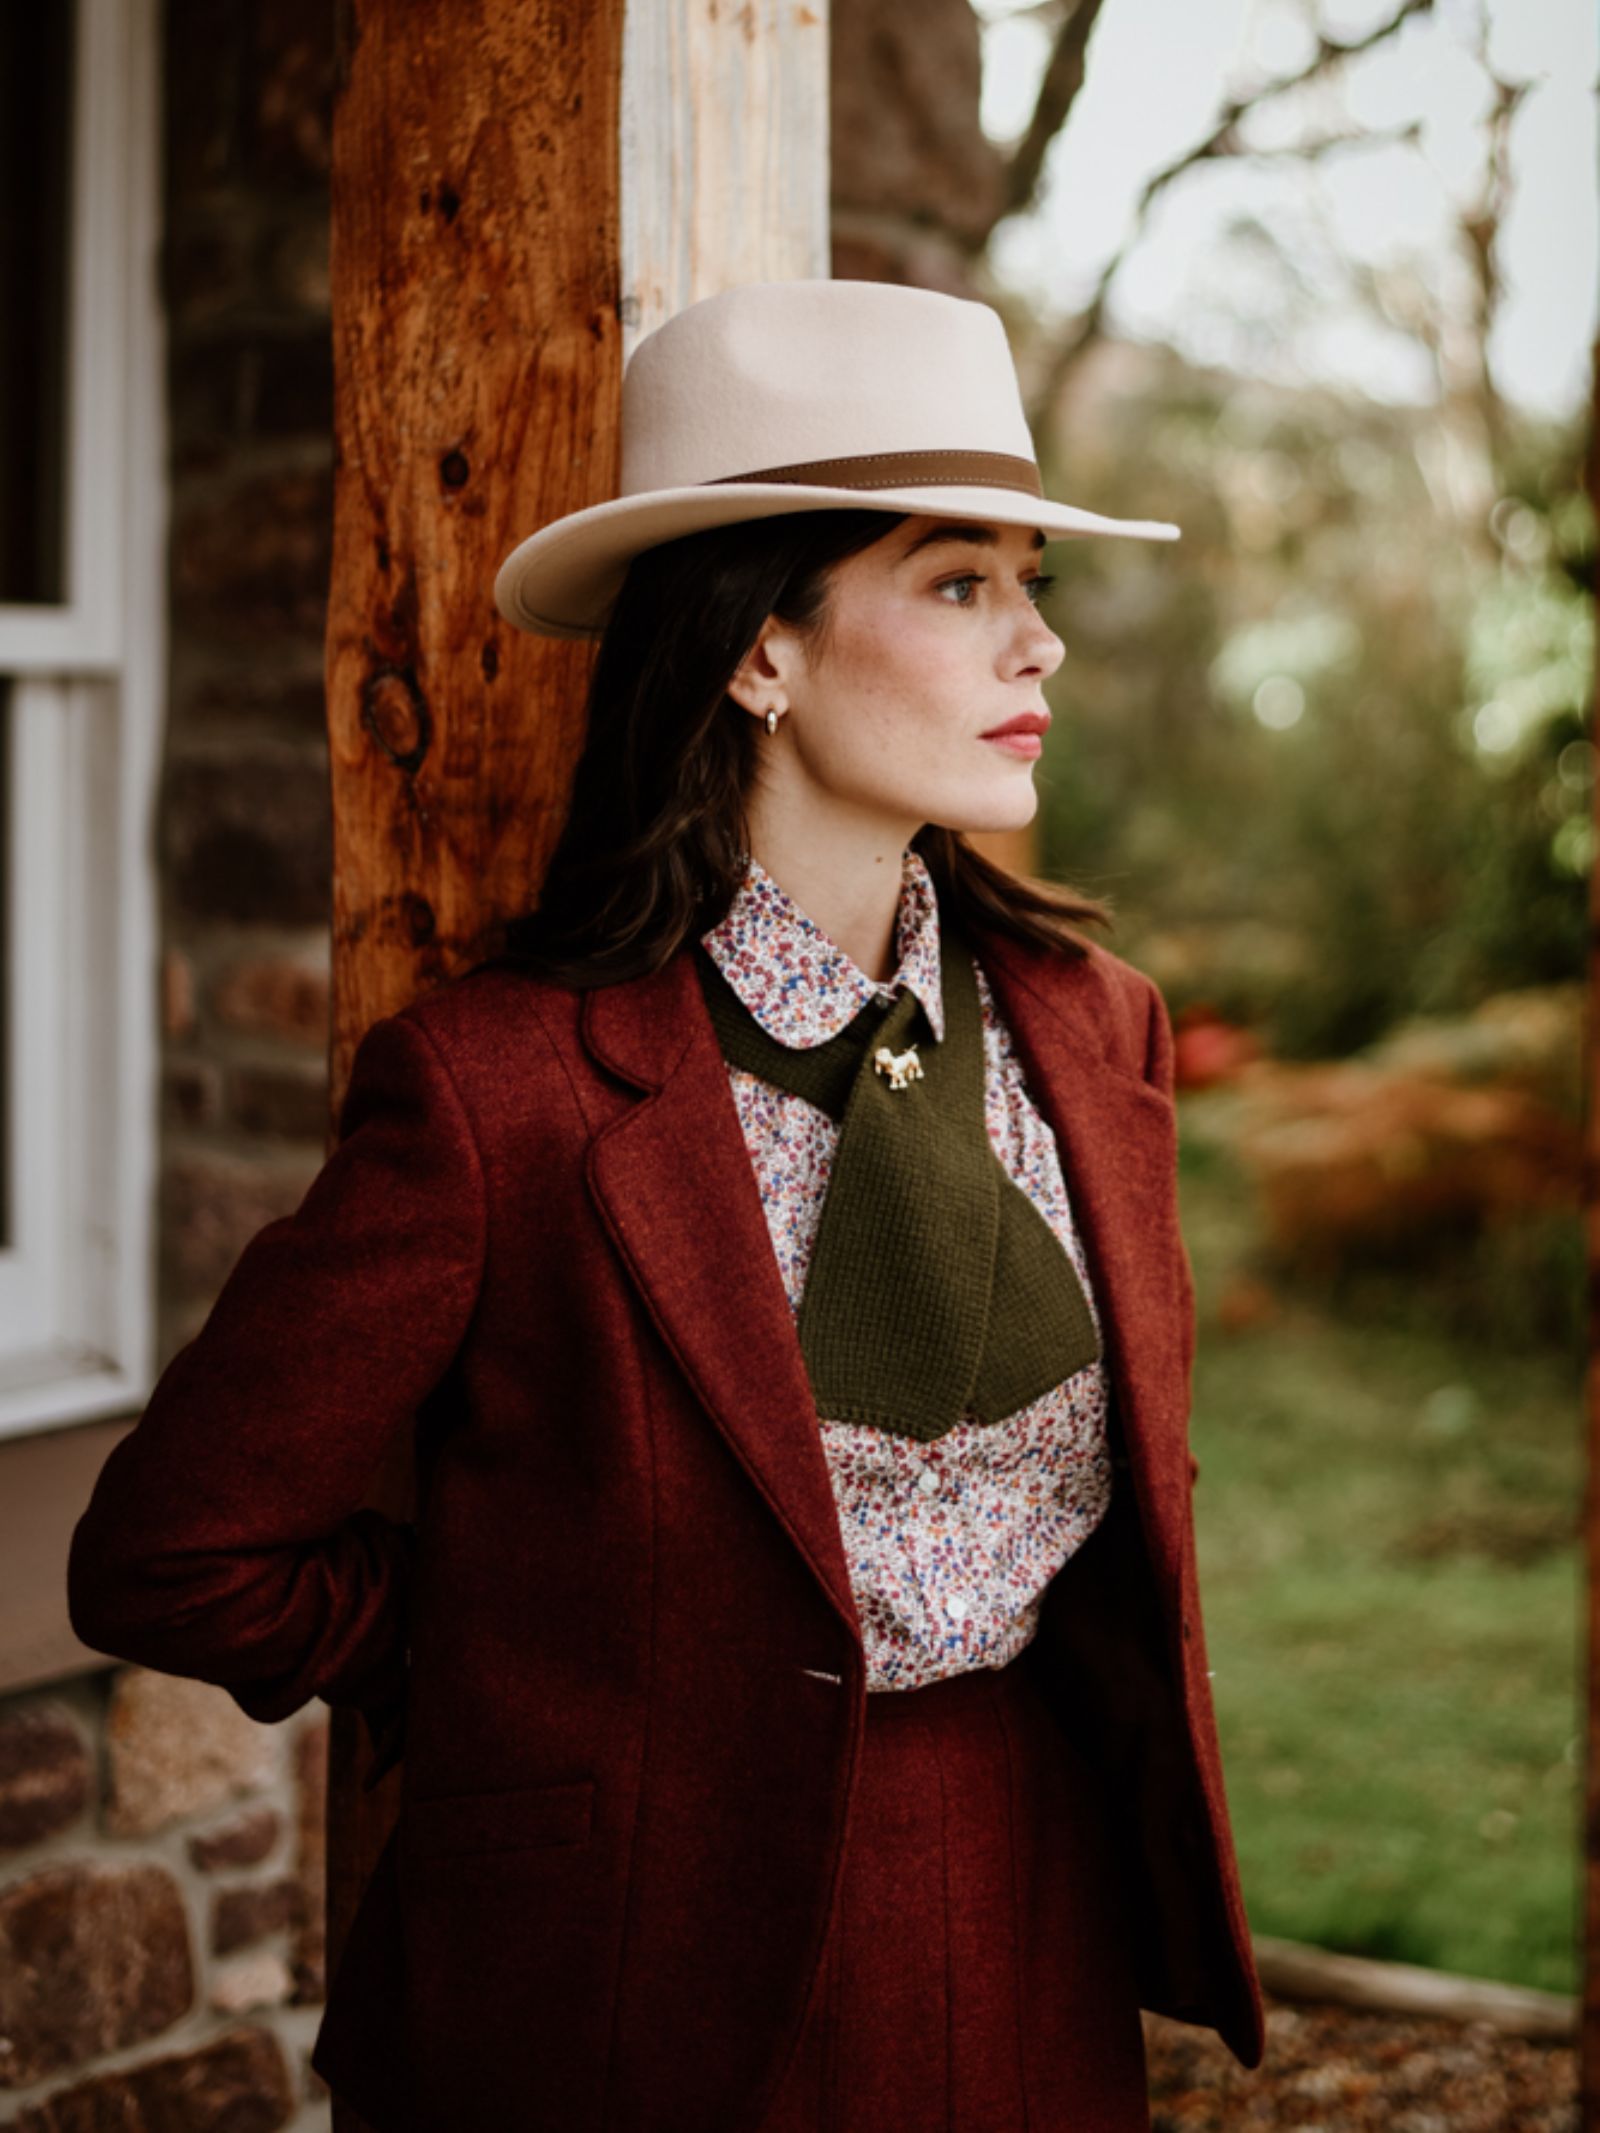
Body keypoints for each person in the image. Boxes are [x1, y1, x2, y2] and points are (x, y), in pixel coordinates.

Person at [67, 278, 1264, 2132]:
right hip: (630, 1966)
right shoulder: (502, 1092)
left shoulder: (1093, 1034)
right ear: (758, 648)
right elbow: (173, 1545)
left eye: (1035, 581)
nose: (1038, 645)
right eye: (959, 583)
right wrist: (491, 1649)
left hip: (1033, 1906)